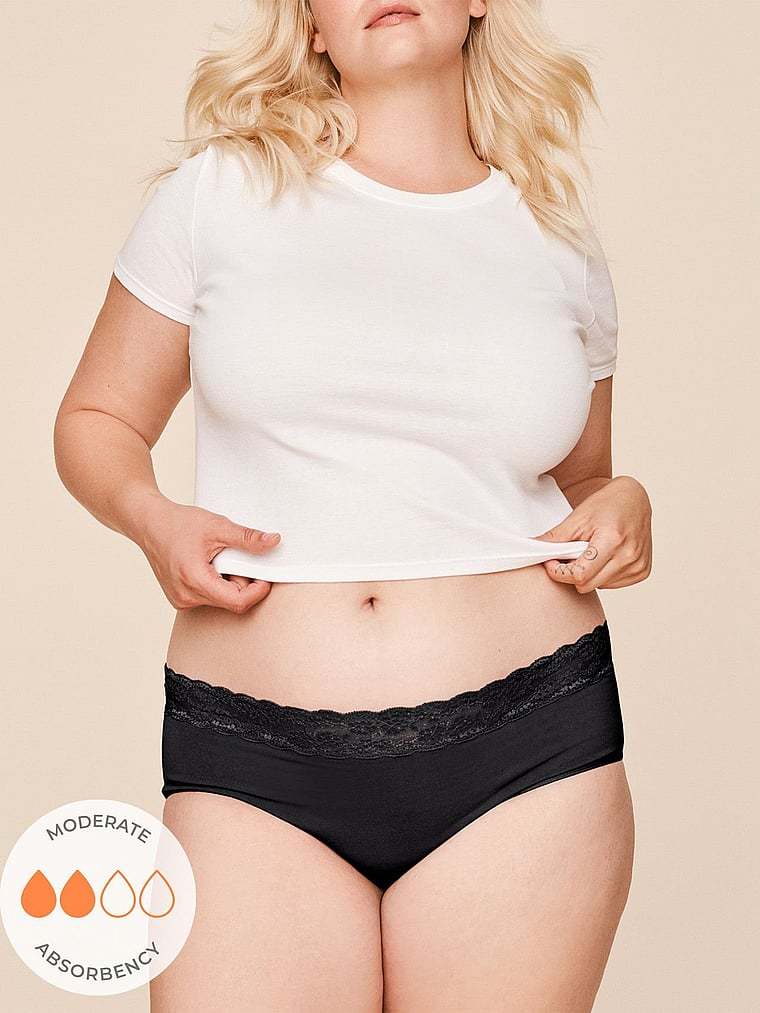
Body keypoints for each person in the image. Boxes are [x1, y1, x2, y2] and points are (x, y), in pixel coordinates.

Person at [54, 1, 652, 1009]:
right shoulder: (217, 196)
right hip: (251, 760)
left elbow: (585, 478)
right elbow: (97, 416)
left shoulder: (554, 233)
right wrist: (152, 516)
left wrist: (622, 500)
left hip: (529, 749)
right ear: (313, 27)